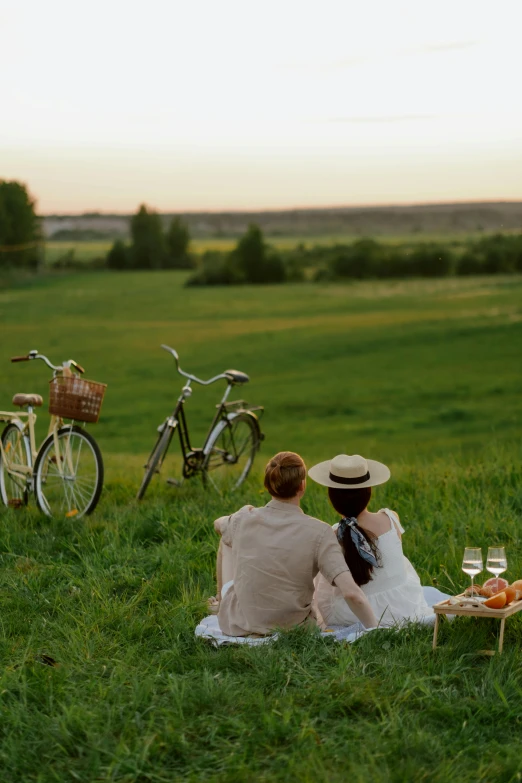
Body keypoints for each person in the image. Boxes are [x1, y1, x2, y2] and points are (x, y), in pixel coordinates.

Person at [211, 451, 378, 636]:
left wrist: (234, 520)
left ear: (268, 485)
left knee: (226, 539)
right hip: (293, 628)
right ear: (302, 486)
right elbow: (351, 593)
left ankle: (220, 600)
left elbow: (218, 524)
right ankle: (223, 601)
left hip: (239, 624)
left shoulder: (243, 518)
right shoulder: (320, 532)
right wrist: (376, 630)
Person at [309, 453, 436, 627]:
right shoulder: (391, 520)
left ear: (332, 499)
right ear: (368, 492)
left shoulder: (332, 536)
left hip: (354, 615)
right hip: (402, 606)